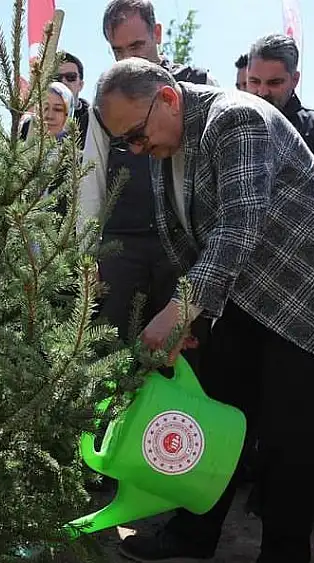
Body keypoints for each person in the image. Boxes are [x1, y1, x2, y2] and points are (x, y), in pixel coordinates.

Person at [95, 58, 314, 563]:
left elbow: (238, 225)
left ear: (168, 99)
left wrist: (178, 310)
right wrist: (197, 322)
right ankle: (195, 529)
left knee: (289, 443)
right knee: (215, 408)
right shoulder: (162, 146)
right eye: (121, 141)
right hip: (247, 296)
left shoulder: (237, 120)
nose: (132, 149)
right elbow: (178, 234)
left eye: (135, 133)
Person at [78, 0, 216, 349]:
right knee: (111, 352)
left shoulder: (198, 85)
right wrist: (87, 254)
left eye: (136, 45)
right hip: (121, 250)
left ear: (157, 34)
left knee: (182, 354)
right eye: (118, 50)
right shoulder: (105, 100)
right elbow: (91, 178)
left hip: (182, 248)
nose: (128, 59)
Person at [245, 34, 314, 178]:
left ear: (295, 80)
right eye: (254, 81)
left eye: (274, 82)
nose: (262, 92)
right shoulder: (227, 124)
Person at [55, 51, 89, 147]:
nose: (63, 82)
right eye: (56, 78)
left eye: (70, 77)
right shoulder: (35, 123)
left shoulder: (94, 120)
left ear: (80, 85)